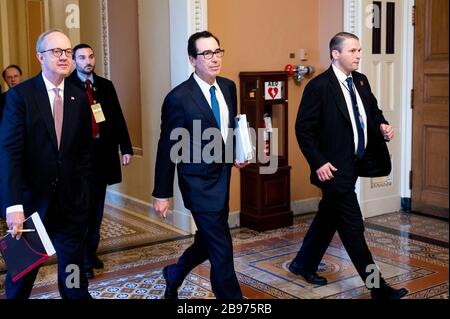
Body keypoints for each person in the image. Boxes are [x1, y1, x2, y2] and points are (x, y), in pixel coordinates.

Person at [289, 32, 409, 300]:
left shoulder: (361, 81)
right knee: (353, 228)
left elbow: (373, 111)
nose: (358, 55)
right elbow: (303, 130)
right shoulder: (319, 86)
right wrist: (318, 162)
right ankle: (378, 288)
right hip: (333, 170)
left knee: (327, 218)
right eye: (352, 50)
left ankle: (303, 263)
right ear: (335, 54)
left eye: (359, 50)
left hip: (355, 163)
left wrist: (382, 126)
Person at [152, 31, 246, 299]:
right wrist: (161, 192)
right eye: (206, 54)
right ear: (192, 60)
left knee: (206, 243)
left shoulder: (228, 87)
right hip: (198, 183)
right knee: (222, 250)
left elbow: (228, 130)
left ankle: (175, 273)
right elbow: (168, 146)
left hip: (222, 178)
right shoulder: (178, 98)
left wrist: (236, 153)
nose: (214, 59)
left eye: (217, 52)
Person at [0, 29, 92, 299]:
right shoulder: (21, 97)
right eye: (56, 51)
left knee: (74, 276)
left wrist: (84, 195)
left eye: (67, 51)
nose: (64, 57)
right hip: (31, 208)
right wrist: (13, 206)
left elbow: (85, 153)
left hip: (71, 207)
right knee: (21, 281)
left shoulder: (78, 98)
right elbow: (10, 154)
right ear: (40, 56)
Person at [67, 44, 133, 279]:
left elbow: (117, 116)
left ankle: (90, 251)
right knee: (81, 210)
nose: (88, 61)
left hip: (102, 157)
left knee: (96, 209)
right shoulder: (67, 86)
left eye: (91, 56)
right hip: (77, 161)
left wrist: (125, 147)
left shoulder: (105, 85)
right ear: (74, 61)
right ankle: (82, 258)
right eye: (82, 57)